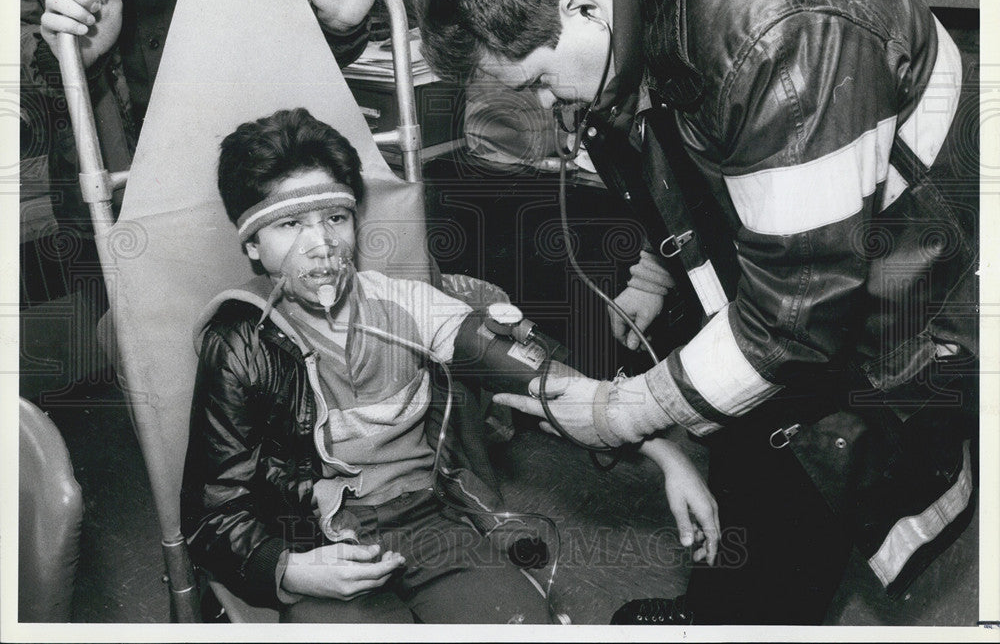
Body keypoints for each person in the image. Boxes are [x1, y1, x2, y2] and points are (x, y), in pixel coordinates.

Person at [417, 0, 979, 624]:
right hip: (812, 252)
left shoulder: (779, 40)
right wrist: (654, 273)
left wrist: (617, 411)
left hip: (903, 280)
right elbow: (703, 152)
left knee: (811, 472)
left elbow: (792, 326)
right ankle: (724, 605)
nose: (552, 106)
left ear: (583, 8)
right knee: (746, 436)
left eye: (540, 80)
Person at [180, 107, 718, 622]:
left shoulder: (405, 306)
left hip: (427, 521)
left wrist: (662, 450)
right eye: (290, 224)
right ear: (252, 245)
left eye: (336, 218)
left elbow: (536, 377)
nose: (321, 245)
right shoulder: (238, 346)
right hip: (315, 542)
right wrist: (292, 570)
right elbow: (211, 515)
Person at [20, 0, 387, 232]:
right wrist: (63, 57)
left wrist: (338, 25)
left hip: (264, 181)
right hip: (111, 192)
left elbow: (299, 37)